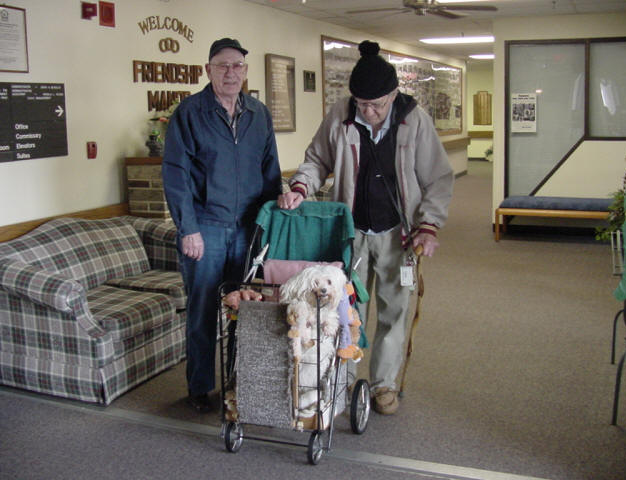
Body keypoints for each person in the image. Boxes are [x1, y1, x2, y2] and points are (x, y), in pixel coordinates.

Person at [278, 40, 453, 415]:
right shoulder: (341, 115)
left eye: (376, 105)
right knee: (346, 308)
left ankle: (383, 384)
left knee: (394, 310)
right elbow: (317, 159)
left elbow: (438, 177)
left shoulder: (414, 120)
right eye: (361, 104)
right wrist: (300, 187)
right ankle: (341, 380)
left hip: (397, 233)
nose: (368, 112)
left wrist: (429, 225)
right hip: (351, 230)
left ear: (393, 95)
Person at [163, 38, 282, 413]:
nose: (230, 73)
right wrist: (188, 229)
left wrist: (269, 225)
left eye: (237, 66)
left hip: (248, 229)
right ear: (208, 70)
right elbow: (176, 175)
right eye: (222, 65)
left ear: (246, 71)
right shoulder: (189, 113)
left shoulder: (259, 114)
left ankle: (237, 381)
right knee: (202, 311)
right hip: (206, 228)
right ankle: (199, 388)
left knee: (246, 309)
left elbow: (270, 172)